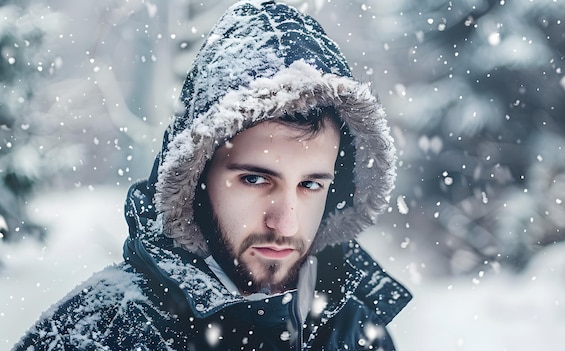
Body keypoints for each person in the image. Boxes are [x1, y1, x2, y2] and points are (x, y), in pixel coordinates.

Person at [13, 1, 412, 350]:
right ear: (195, 179)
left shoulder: (356, 329)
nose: (285, 221)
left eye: (310, 184)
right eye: (256, 180)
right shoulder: (96, 335)